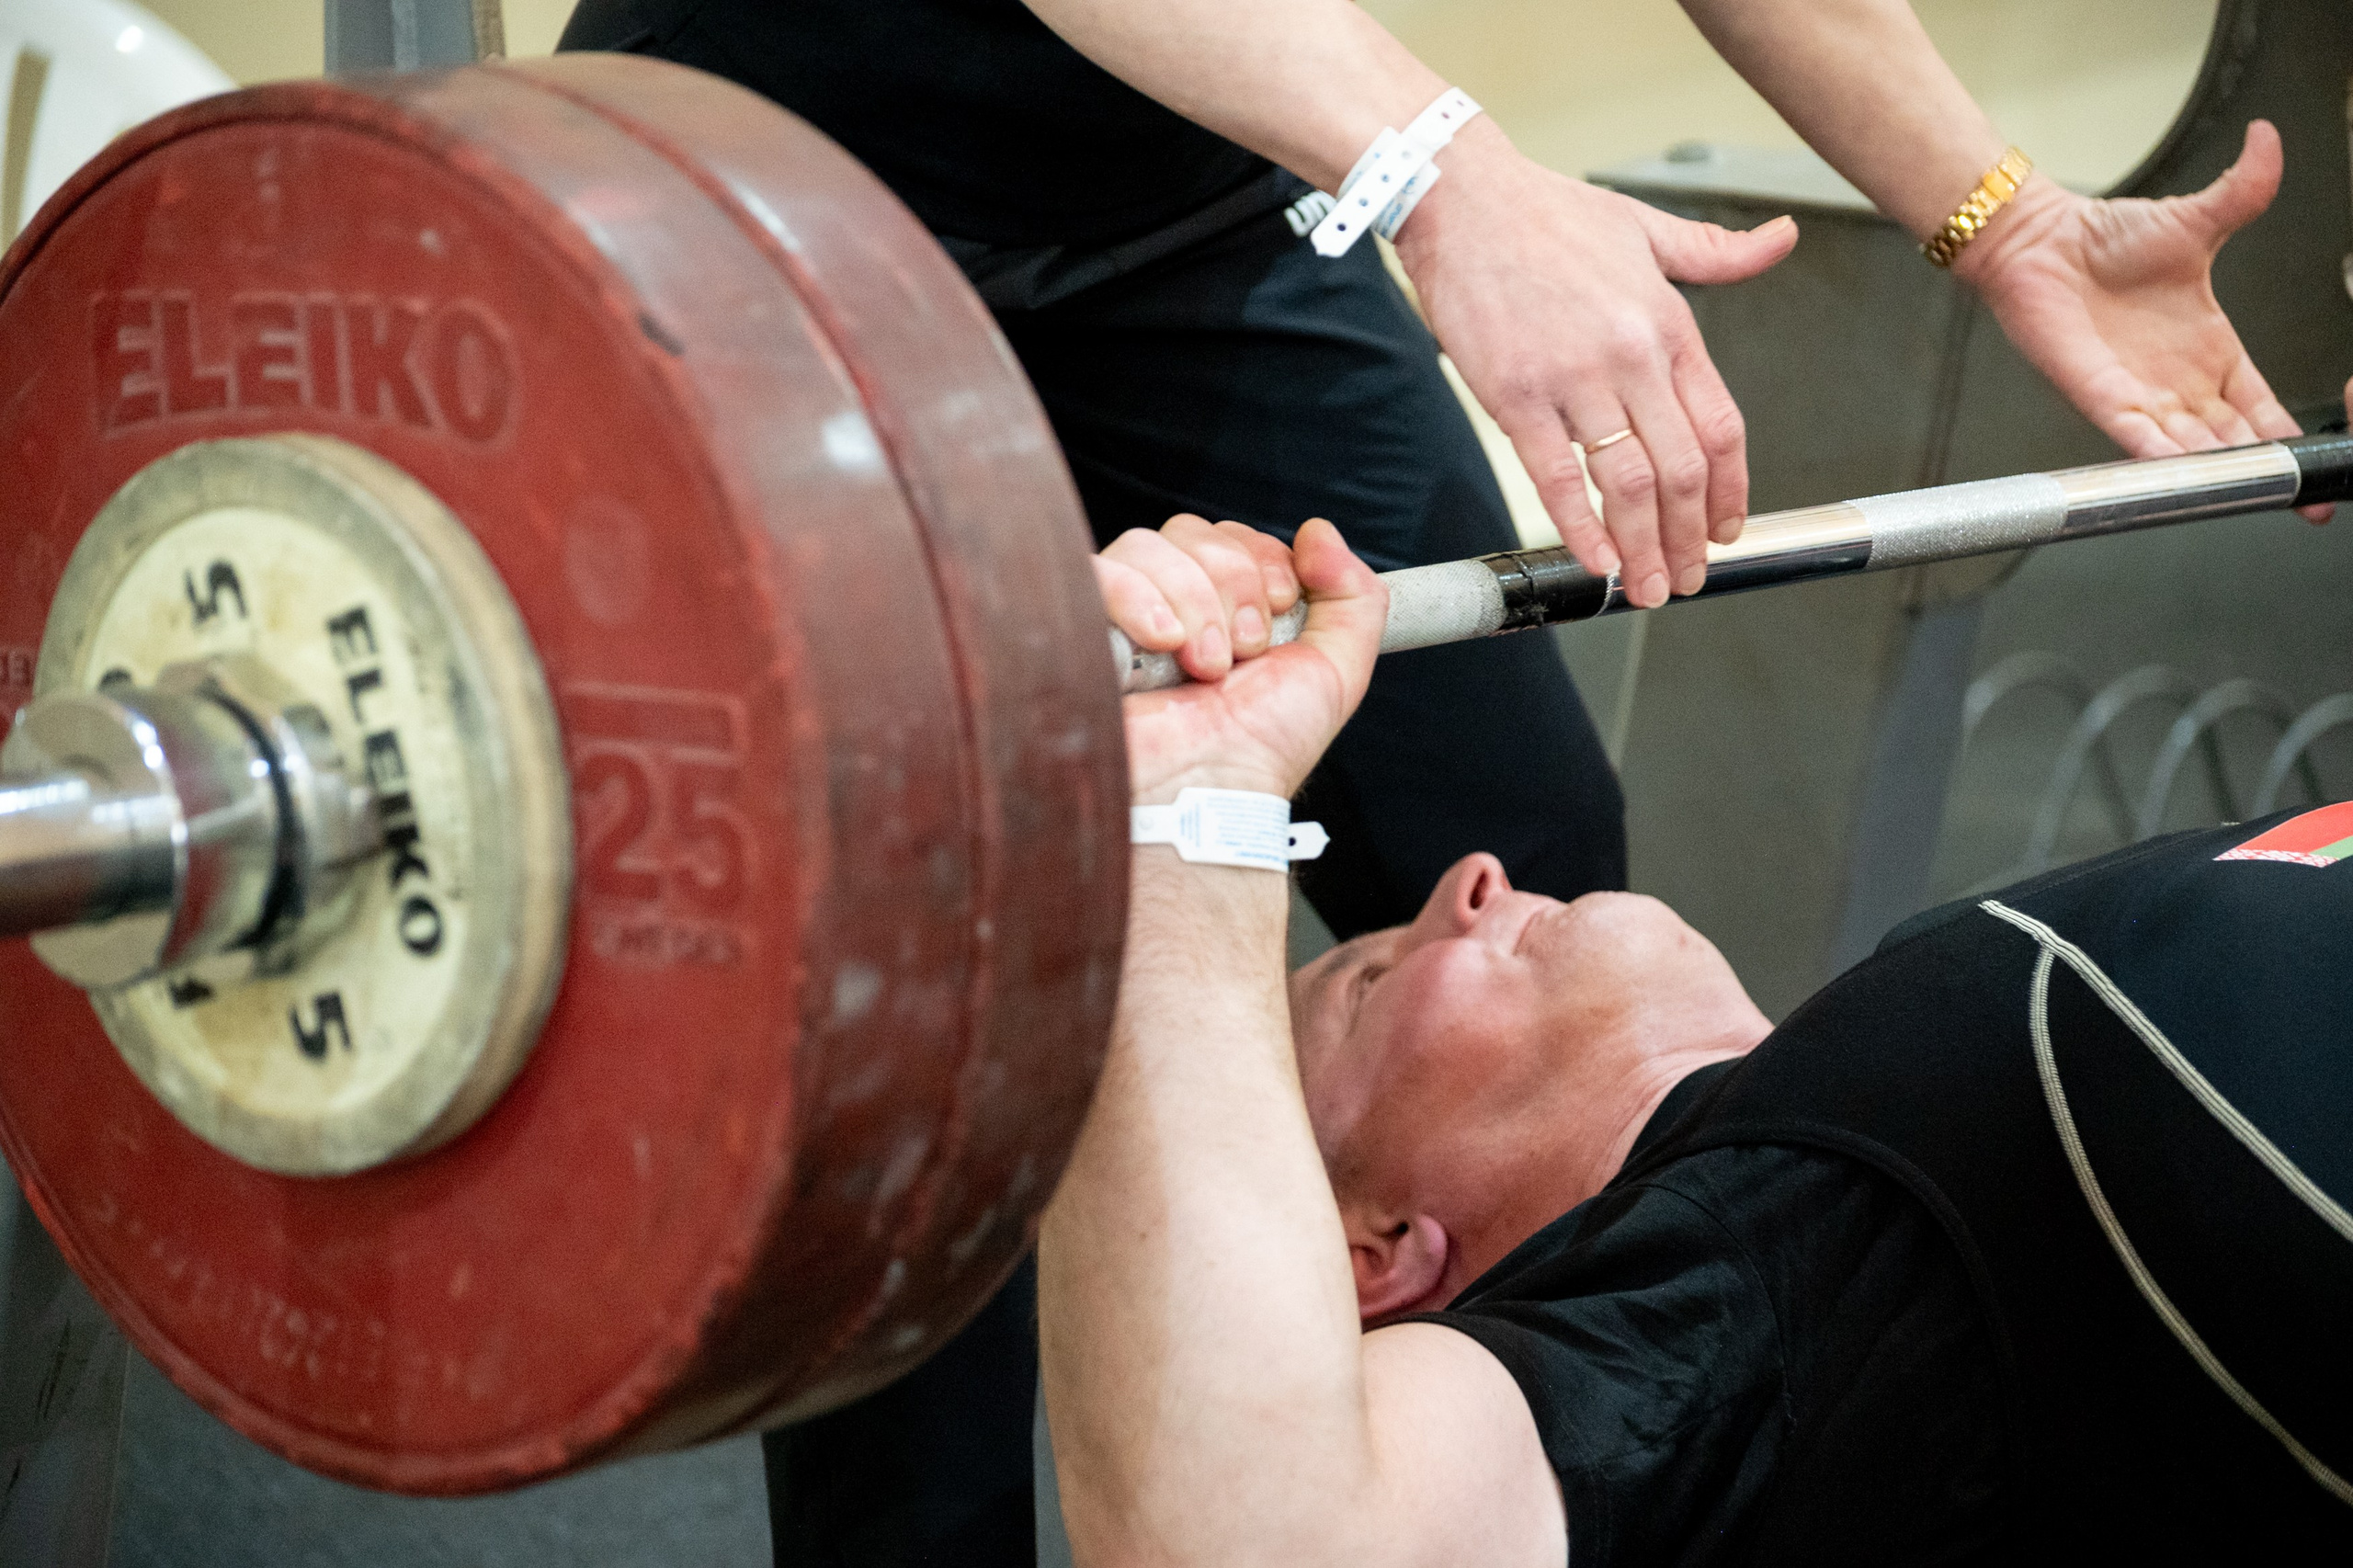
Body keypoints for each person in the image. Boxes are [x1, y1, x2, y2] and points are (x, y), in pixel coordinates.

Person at [554, 2, 2324, 1557]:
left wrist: (1999, 217)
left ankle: (1531, 1467)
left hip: (1184, 203)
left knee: (1528, 842)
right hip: (795, 202)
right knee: (929, 1013)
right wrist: (1446, 173)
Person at [1047, 507, 2353, 1565]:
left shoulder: (1860, 1090)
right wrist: (1184, 812)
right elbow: (1260, 1544)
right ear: (1379, 1251)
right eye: (1375, 979)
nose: (1471, 879)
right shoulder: (1746, 1311)